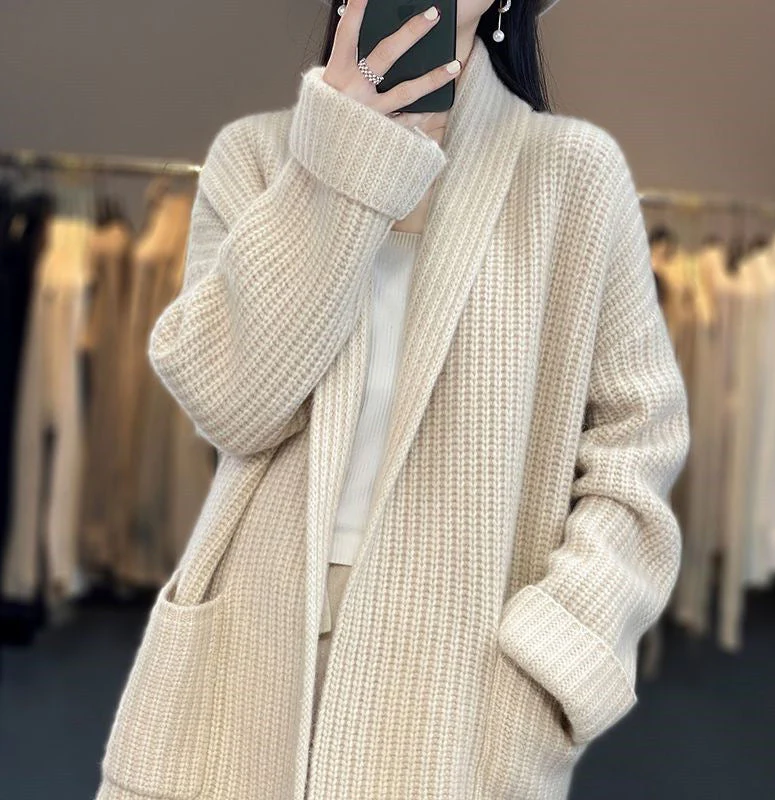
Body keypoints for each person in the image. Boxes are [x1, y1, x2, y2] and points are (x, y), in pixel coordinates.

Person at [95, 1, 691, 798]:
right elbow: (230, 403)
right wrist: (344, 157)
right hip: (246, 662)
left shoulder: (574, 175)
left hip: (466, 683)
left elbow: (639, 443)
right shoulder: (257, 158)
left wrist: (555, 656)